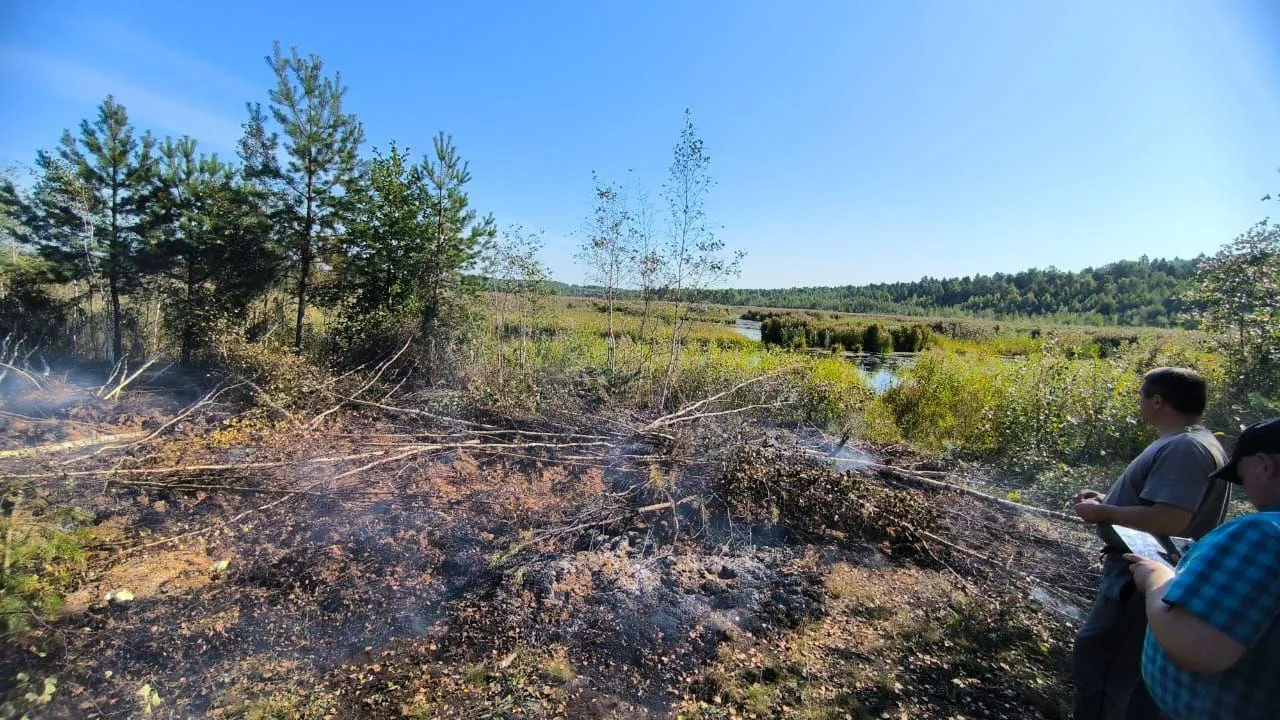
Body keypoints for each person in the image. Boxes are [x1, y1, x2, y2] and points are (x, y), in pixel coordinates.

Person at [1070, 367, 1229, 720]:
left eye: (1142, 396)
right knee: (1126, 671)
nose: (1139, 402)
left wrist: (1102, 513)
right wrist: (1107, 500)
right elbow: (1161, 506)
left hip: (1142, 578)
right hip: (1144, 574)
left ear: (1158, 400)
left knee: (1105, 665)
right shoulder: (1190, 442)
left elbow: (1171, 519)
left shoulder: (1185, 448)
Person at [1127, 417, 1280, 720]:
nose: (1246, 489)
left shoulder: (1264, 533)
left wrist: (1157, 577)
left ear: (1264, 464)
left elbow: (1197, 647)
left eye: (1241, 474)